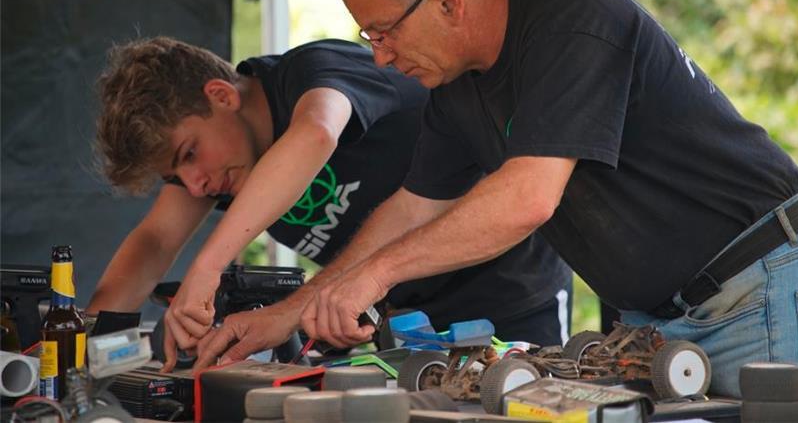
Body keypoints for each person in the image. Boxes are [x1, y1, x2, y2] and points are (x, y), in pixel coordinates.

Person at [291, 0, 798, 406]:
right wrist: (287, 314)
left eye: (384, 33)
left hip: (759, 290)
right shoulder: (455, 85)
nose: (379, 57)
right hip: (658, 329)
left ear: (447, 1)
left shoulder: (574, 19)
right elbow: (412, 207)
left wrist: (376, 275)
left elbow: (527, 198)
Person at [88, 36, 573, 370]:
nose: (194, 187)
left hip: (509, 288)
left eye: (188, 155)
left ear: (221, 96)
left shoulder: (312, 70)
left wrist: (207, 267)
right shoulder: (216, 168)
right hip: (403, 318)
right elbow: (154, 241)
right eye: (175, 176)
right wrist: (90, 345)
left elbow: (316, 132)